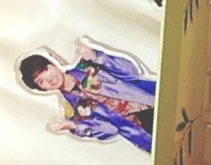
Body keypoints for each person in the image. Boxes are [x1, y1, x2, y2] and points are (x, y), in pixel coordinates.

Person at [18, 42, 157, 153]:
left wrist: (98, 57)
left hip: (154, 101)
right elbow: (109, 130)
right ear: (43, 89)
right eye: (41, 81)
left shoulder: (87, 66)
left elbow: (130, 72)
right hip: (145, 134)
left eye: (46, 70)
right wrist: (73, 126)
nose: (49, 79)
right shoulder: (72, 111)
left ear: (53, 64)